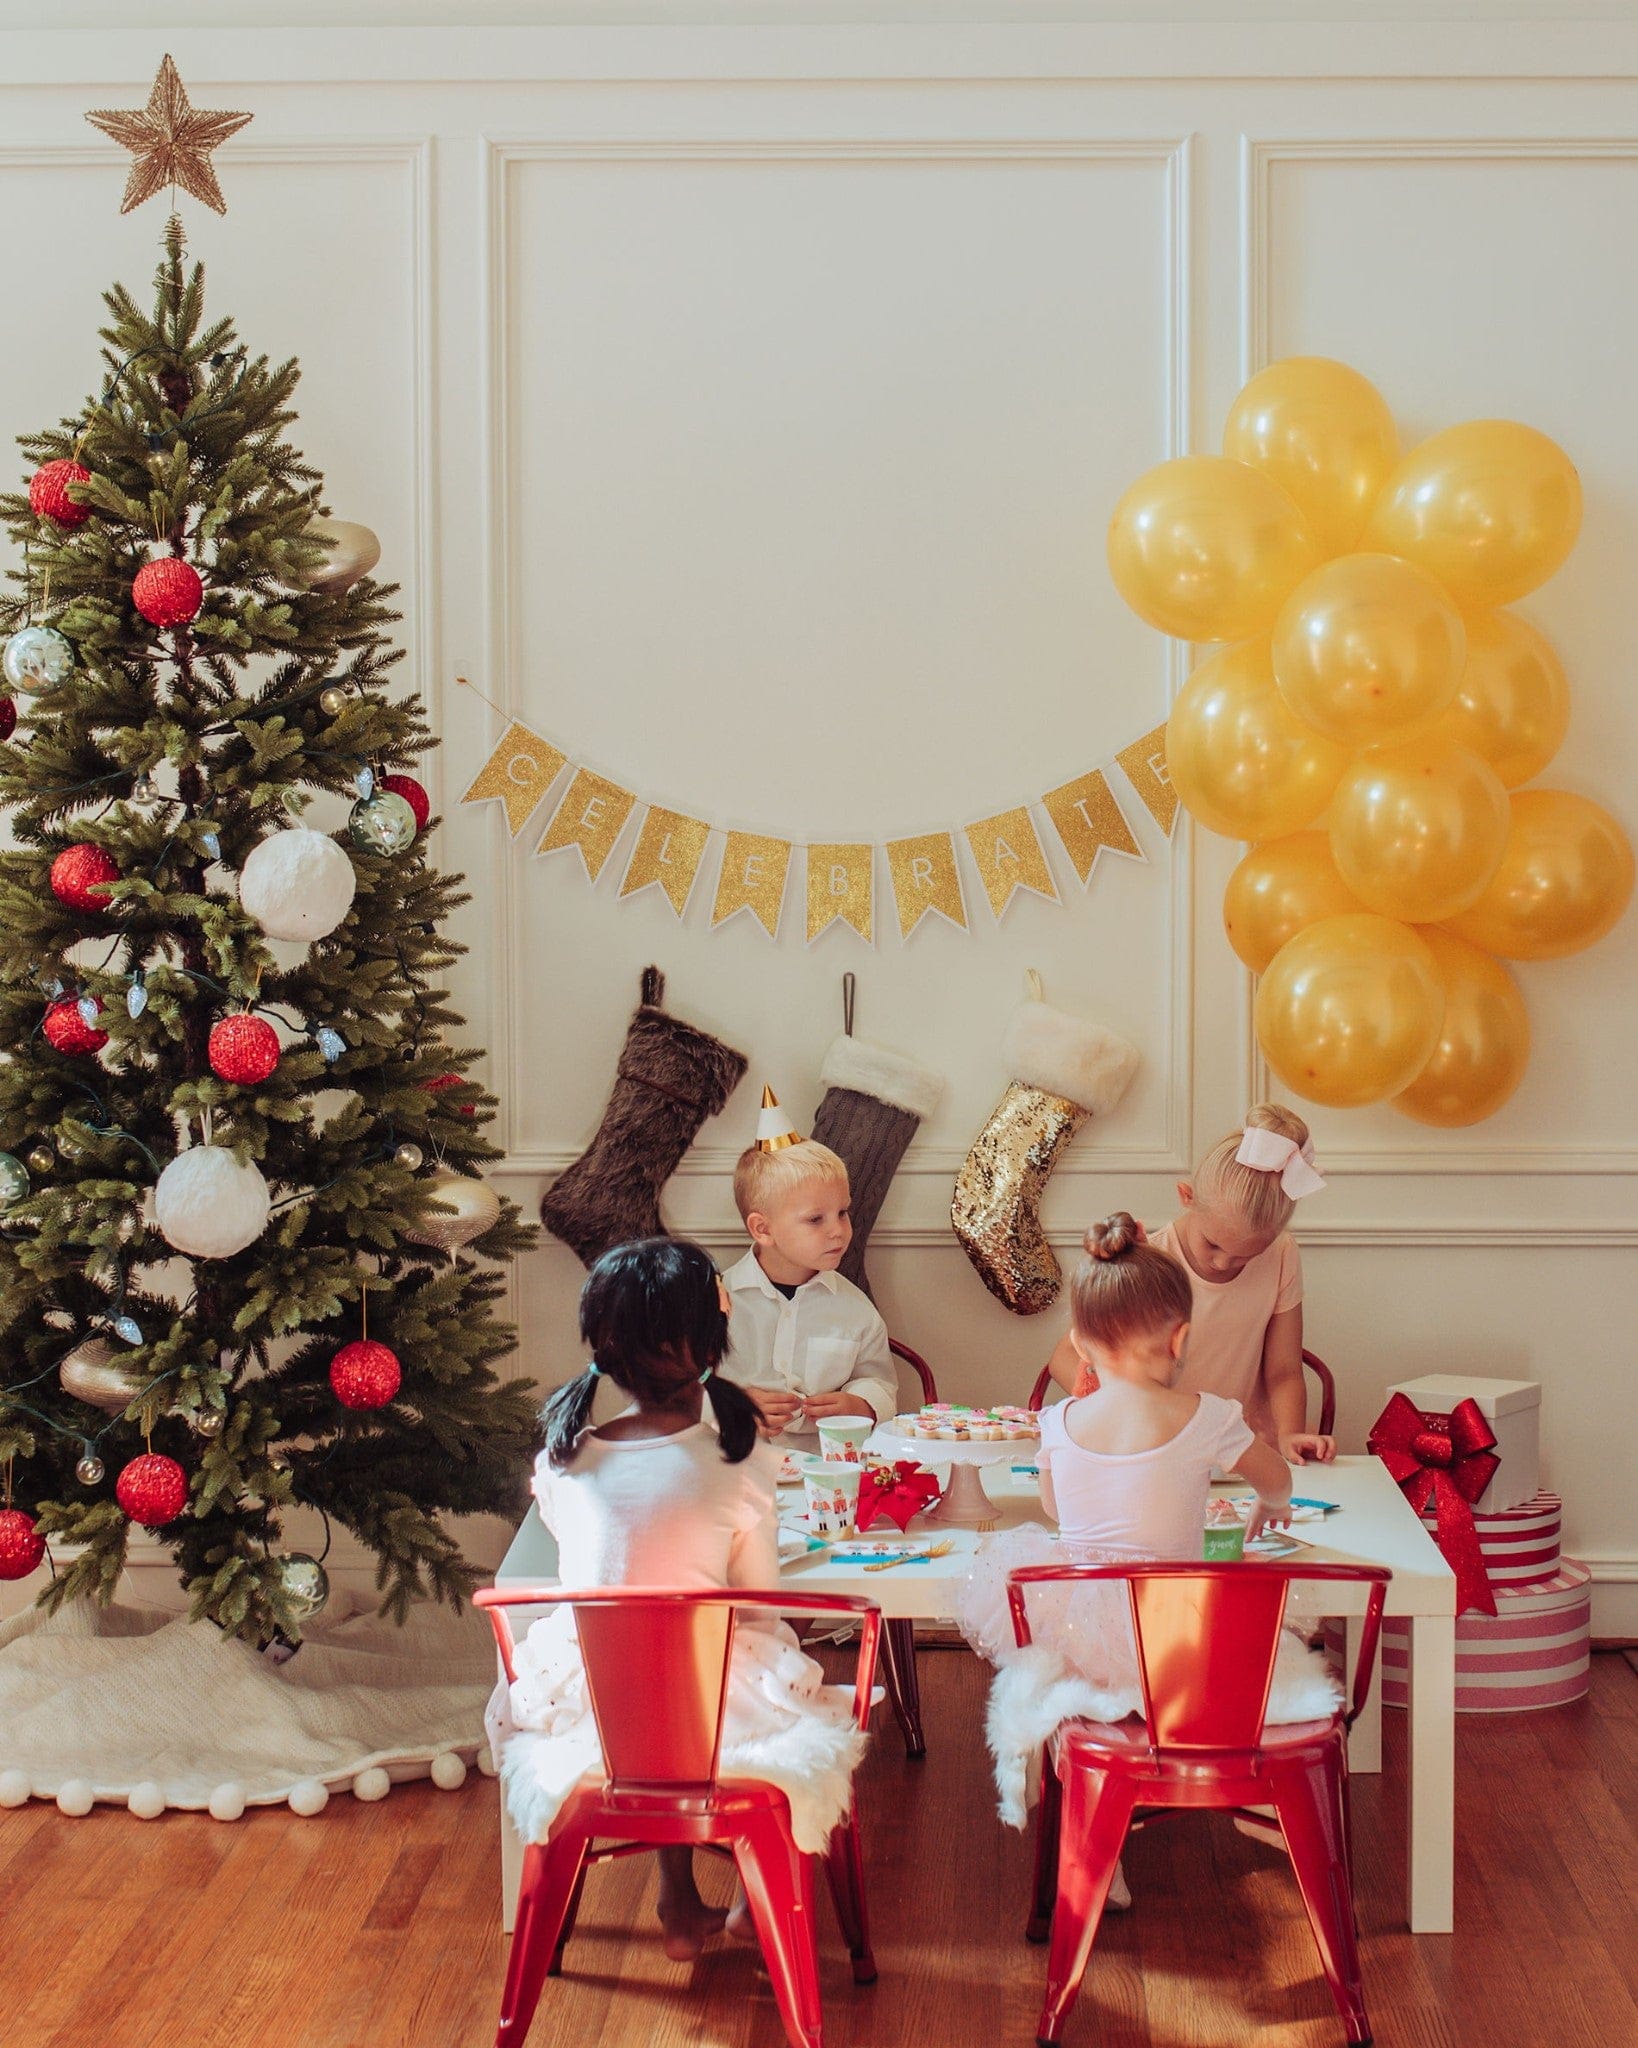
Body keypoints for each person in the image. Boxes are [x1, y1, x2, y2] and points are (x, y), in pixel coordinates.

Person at [484, 1237, 866, 1961]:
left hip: (594, 1703)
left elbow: (609, 1581)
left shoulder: (563, 1465)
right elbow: (759, 1610)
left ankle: (677, 1896)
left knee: (658, 1663)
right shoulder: (739, 1463)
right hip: (700, 1707)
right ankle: (757, 1899)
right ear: (710, 1345)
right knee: (764, 1683)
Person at [961, 1215, 1338, 1868]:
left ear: (1080, 1342)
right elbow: (1277, 1481)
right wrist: (1266, 1512)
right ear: (1181, 1336)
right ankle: (1240, 1790)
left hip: (1079, 1622)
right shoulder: (1209, 1415)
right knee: (1254, 1642)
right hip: (1179, 1634)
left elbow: (1055, 1508)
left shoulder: (1057, 1421)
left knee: (1073, 1691)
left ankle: (1092, 1826)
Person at [1040, 1104, 1335, 1464]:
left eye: (1247, 1254)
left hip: (1244, 1453)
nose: (1224, 1262)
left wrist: (1290, 1433)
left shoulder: (1281, 1253)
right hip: (1158, 1452)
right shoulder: (1151, 1260)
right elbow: (1066, 1357)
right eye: (1212, 1244)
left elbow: (1284, 1371)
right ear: (1187, 1196)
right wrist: (1124, 1405)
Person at [717, 1112, 897, 1447]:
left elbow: (878, 1380)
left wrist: (861, 1404)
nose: (838, 1231)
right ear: (763, 1229)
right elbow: (678, 1390)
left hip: (823, 1475)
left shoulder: (854, 1308)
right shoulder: (716, 1303)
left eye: (843, 1213)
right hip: (734, 1470)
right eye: (816, 1219)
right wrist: (730, 1404)